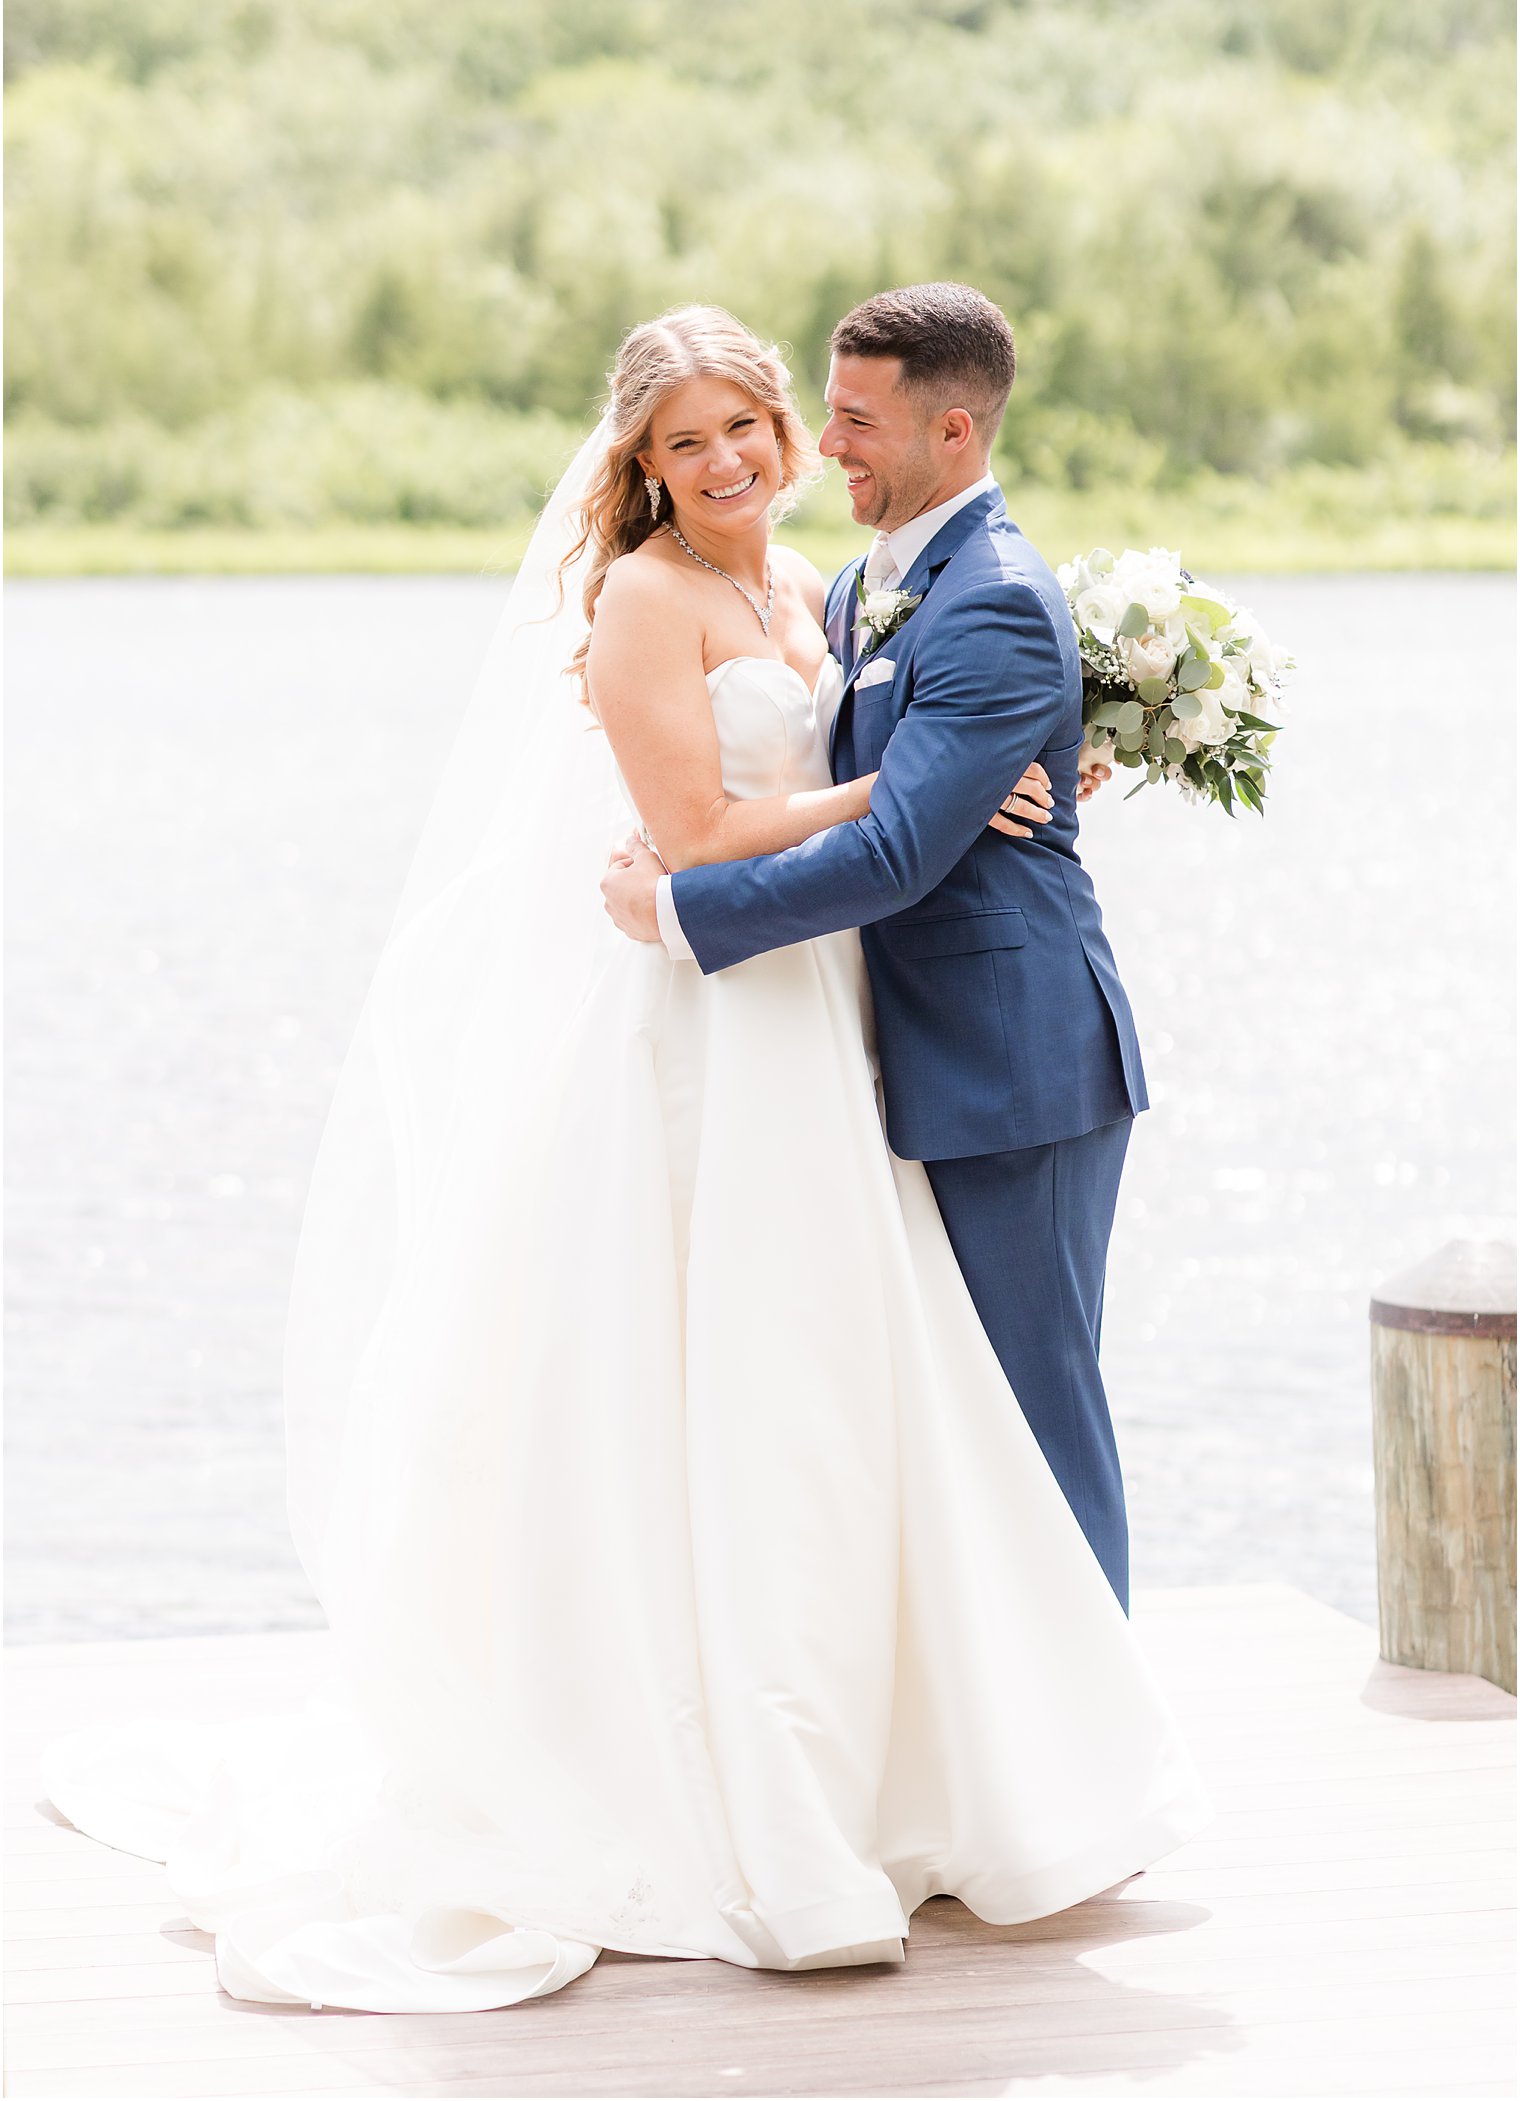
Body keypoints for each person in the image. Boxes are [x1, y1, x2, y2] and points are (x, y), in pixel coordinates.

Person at [41, 302, 1207, 2016]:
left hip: (826, 1031)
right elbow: (698, 832)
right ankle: (716, 1764)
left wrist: (1011, 769)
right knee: (707, 1368)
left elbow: (885, 748)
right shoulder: (645, 603)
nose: (735, 455)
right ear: (639, 468)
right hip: (708, 1020)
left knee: (862, 1390)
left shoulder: (821, 587)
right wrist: (929, 799)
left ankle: (948, 1758)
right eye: (691, 440)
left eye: (756, 423)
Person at [603, 282, 1143, 1611]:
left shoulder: (993, 594)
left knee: (1030, 1403)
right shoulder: (850, 586)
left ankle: (1098, 1739)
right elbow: (842, 785)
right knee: (926, 1414)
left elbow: (902, 849)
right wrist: (938, 779)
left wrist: (679, 913)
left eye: (849, 420)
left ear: (953, 432)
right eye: (825, 414)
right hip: (864, 1047)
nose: (818, 444)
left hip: (1011, 1058)